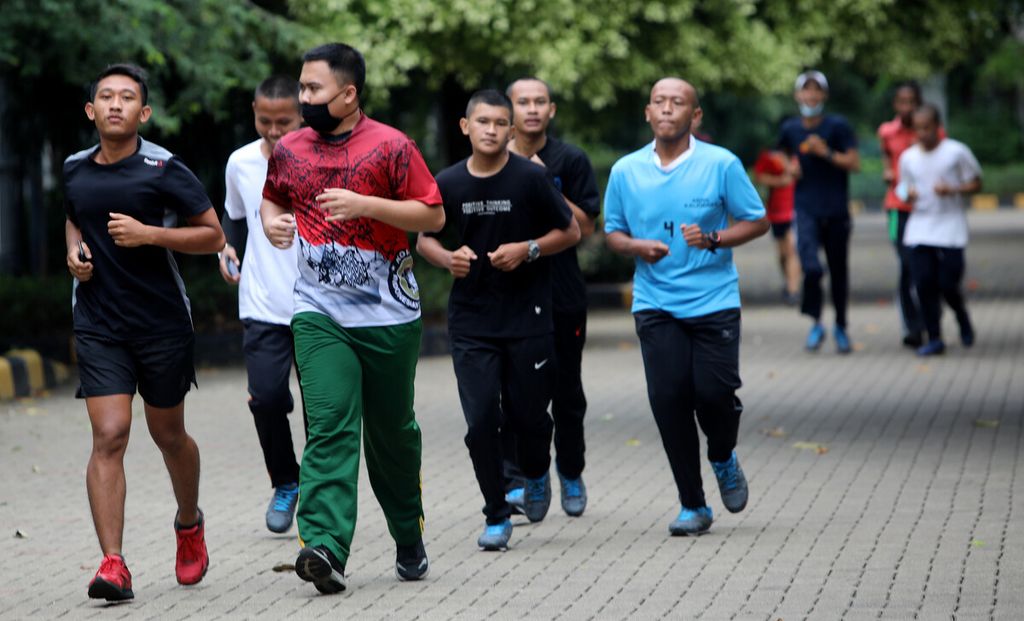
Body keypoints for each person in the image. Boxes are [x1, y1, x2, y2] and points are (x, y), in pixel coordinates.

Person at [260, 43, 444, 594]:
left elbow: (432, 212)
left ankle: (407, 534)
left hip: (389, 313)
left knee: (391, 434)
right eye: (302, 88)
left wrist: (368, 206)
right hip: (318, 312)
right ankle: (325, 547)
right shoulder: (290, 147)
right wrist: (272, 223)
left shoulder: (392, 145)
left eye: (314, 90)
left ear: (348, 94)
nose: (304, 98)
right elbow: (273, 199)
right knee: (330, 425)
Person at [64, 63, 223, 601]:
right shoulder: (74, 169)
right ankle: (114, 564)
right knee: (109, 435)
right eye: (104, 96)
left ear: (143, 113)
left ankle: (188, 521)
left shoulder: (164, 168)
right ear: (91, 111)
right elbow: (74, 216)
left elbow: (212, 235)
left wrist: (150, 234)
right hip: (99, 322)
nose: (114, 104)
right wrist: (73, 254)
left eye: (126, 97)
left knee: (168, 435)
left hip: (160, 323)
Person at [417, 89, 580, 550]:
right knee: (482, 419)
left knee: (530, 418)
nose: (491, 129)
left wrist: (527, 249)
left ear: (511, 131)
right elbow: (423, 239)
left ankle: (534, 469)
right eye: (482, 121)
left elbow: (570, 230)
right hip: (472, 320)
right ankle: (495, 513)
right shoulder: (447, 181)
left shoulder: (530, 178)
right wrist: (448, 258)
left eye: (499, 123)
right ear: (465, 127)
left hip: (528, 316)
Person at [604, 78, 768, 536]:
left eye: (678, 103)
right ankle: (692, 504)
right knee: (669, 399)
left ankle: (722, 455)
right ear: (647, 112)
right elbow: (613, 232)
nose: (667, 110)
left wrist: (715, 238)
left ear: (695, 116)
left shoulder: (721, 164)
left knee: (713, 395)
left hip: (714, 300)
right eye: (659, 102)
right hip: (656, 302)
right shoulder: (626, 170)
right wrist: (637, 246)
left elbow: (757, 221)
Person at [502, 77, 600, 517]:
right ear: (509, 110)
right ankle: (526, 477)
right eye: (523, 102)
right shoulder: (493, 159)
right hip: (509, 294)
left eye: (540, 101)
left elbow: (588, 229)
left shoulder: (570, 159)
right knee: (516, 394)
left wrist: (545, 182)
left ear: (552, 109)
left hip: (562, 292)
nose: (532, 109)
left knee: (566, 391)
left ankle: (571, 471)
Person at [218, 75, 304, 533]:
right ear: (253, 112)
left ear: (303, 114)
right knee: (267, 399)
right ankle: (286, 481)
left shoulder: (321, 160)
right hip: (261, 303)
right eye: (264, 120)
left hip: (319, 305)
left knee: (323, 410)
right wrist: (227, 249)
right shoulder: (241, 163)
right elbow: (235, 217)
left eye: (284, 121)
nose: (273, 131)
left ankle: (323, 495)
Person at [777, 70, 861, 353]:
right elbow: (782, 154)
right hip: (806, 209)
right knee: (811, 267)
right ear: (797, 95)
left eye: (816, 91)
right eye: (806, 91)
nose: (810, 96)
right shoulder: (790, 128)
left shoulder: (837, 126)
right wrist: (790, 167)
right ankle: (816, 322)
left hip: (836, 209)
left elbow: (854, 162)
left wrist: (825, 153)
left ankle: (840, 326)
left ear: (824, 96)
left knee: (839, 271)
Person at [899, 104, 981, 356]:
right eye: (917, 129)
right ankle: (934, 337)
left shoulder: (956, 152)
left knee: (947, 283)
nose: (922, 133)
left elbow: (977, 182)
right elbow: (901, 188)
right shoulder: (909, 157)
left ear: (938, 127)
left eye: (927, 128)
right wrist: (907, 193)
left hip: (950, 228)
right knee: (923, 284)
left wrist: (953, 190)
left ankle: (960, 314)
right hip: (920, 228)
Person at [878, 81, 931, 347]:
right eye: (902, 102)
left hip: (927, 209)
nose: (907, 107)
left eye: (912, 101)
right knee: (907, 265)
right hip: (898, 208)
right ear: (896, 104)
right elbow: (887, 159)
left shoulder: (930, 130)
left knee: (928, 267)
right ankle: (913, 326)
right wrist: (888, 172)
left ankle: (930, 318)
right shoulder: (887, 132)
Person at [753, 146, 801, 304]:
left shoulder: (800, 155)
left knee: (791, 249)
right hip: (776, 211)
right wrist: (779, 181)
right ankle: (789, 282)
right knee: (783, 253)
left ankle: (793, 289)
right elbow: (758, 176)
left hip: (795, 209)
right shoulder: (770, 156)